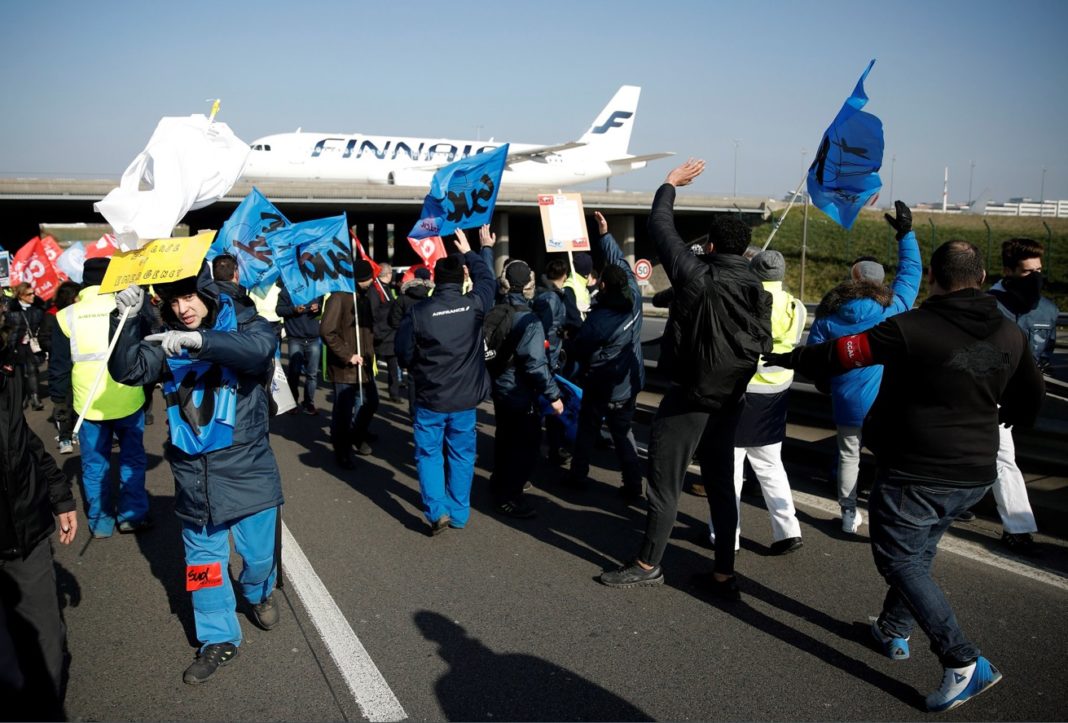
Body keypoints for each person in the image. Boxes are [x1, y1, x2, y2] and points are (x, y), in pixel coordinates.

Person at [768, 238, 1044, 712]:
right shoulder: (1009, 333)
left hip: (917, 467)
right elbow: (1031, 397)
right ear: (980, 279)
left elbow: (838, 355)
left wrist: (781, 358)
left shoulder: (909, 328)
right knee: (920, 551)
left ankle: (962, 659)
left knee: (899, 559)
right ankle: (893, 629)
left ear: (934, 279)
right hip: (976, 473)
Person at [599, 159, 771, 599]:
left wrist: (669, 184)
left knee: (665, 481)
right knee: (720, 485)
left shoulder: (696, 274)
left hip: (690, 396)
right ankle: (723, 574)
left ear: (710, 245)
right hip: (732, 397)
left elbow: (660, 227)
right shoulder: (756, 287)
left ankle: (647, 563)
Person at [108, 263, 284, 685]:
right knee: (202, 567)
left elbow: (257, 353)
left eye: (188, 297)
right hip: (194, 480)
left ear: (206, 292)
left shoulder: (249, 323)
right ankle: (217, 639)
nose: (182, 308)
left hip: (250, 474)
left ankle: (259, 593)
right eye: (172, 300)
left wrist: (202, 342)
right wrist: (125, 321)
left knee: (258, 560)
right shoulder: (165, 338)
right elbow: (127, 371)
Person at [806, 202, 922, 534]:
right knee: (891, 460)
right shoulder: (895, 308)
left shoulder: (829, 314)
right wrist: (906, 234)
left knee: (848, 456)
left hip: (845, 399)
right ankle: (892, 516)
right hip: (887, 403)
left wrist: (825, 381)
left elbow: (815, 357)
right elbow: (912, 271)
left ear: (852, 279)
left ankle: (847, 514)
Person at [0, 318, 78, 721]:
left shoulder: (8, 373)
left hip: (25, 529)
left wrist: (60, 496)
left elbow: (24, 440)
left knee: (46, 635)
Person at [395, 227, 497, 534]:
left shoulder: (420, 311)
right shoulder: (474, 305)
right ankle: (459, 513)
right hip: (465, 399)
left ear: (435, 280)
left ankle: (436, 509)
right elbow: (488, 280)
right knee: (463, 455)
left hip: (431, 397)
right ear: (462, 277)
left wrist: (418, 369)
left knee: (428, 454)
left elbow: (403, 352)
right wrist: (475, 251)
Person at [708, 250, 806, 555]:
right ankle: (788, 530)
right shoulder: (796, 306)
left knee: (730, 468)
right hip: (777, 393)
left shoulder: (746, 301)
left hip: (744, 391)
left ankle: (727, 536)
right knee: (770, 464)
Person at [53, 258, 149, 538]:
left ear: (84, 281)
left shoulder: (66, 315)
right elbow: (143, 352)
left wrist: (61, 404)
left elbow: (59, 367)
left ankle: (100, 522)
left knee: (94, 465)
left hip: (88, 404)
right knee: (132, 460)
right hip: (128, 396)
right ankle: (132, 516)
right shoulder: (129, 308)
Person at [981, 237, 1059, 552]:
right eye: (1028, 272)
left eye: (1039, 270)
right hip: (987, 393)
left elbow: (1045, 357)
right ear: (1008, 270)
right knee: (1002, 458)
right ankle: (1018, 527)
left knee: (995, 457)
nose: (1036, 277)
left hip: (1020, 397)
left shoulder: (1048, 310)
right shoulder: (988, 304)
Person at [565, 212, 644, 501]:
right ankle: (633, 484)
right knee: (624, 433)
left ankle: (578, 475)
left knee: (587, 430)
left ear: (603, 286)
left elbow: (578, 349)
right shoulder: (634, 297)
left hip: (599, 384)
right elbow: (620, 263)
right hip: (627, 383)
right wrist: (605, 235)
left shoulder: (598, 319)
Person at [486, 253, 564, 519]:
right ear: (529, 284)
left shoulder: (496, 310)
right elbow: (535, 365)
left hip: (498, 386)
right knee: (527, 446)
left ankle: (499, 482)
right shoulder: (530, 320)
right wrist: (553, 395)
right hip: (519, 391)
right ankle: (509, 496)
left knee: (505, 437)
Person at [321, 260, 378, 469]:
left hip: (364, 365)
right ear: (359, 279)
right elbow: (327, 331)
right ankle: (341, 449)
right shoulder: (339, 298)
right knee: (343, 412)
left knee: (371, 402)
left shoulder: (363, 298)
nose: (373, 280)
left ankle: (356, 435)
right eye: (369, 278)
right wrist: (348, 355)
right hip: (345, 367)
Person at [533, 258, 575, 464]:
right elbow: (546, 332)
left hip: (551, 358)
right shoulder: (552, 297)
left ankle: (548, 447)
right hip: (550, 361)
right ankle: (552, 449)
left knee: (548, 407)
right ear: (564, 275)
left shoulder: (548, 293)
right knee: (552, 406)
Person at [389, 266, 434, 416]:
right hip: (428, 343)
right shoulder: (431, 299)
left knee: (412, 379)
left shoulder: (402, 298)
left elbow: (393, 320)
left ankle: (414, 412)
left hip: (408, 343)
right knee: (429, 378)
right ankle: (427, 409)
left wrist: (404, 331)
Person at [44, 280, 81, 454]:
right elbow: (44, 338)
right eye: (77, 296)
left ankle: (77, 431)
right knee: (63, 403)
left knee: (78, 401)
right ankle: (65, 437)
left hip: (79, 367)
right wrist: (58, 344)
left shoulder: (79, 315)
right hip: (61, 366)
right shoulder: (53, 316)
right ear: (70, 298)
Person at [275, 283, 323, 416]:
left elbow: (321, 306)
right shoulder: (287, 289)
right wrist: (294, 310)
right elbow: (279, 310)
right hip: (295, 337)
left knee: (312, 374)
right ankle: (293, 403)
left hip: (313, 337)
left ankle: (309, 403)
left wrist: (318, 307)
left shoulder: (316, 288)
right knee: (294, 373)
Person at [6, 283, 46, 411]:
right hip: (16, 345)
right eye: (29, 294)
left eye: (33, 293)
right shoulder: (12, 310)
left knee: (32, 370)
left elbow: (43, 325)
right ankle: (22, 398)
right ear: (21, 295)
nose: (33, 296)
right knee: (19, 373)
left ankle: (35, 398)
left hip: (32, 345)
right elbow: (8, 330)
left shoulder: (38, 309)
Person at [369, 263, 402, 401]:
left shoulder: (385, 288)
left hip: (389, 334)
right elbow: (373, 312)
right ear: (388, 274)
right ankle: (371, 392)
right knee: (373, 367)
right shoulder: (375, 289)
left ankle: (394, 393)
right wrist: (376, 333)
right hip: (379, 334)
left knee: (393, 367)